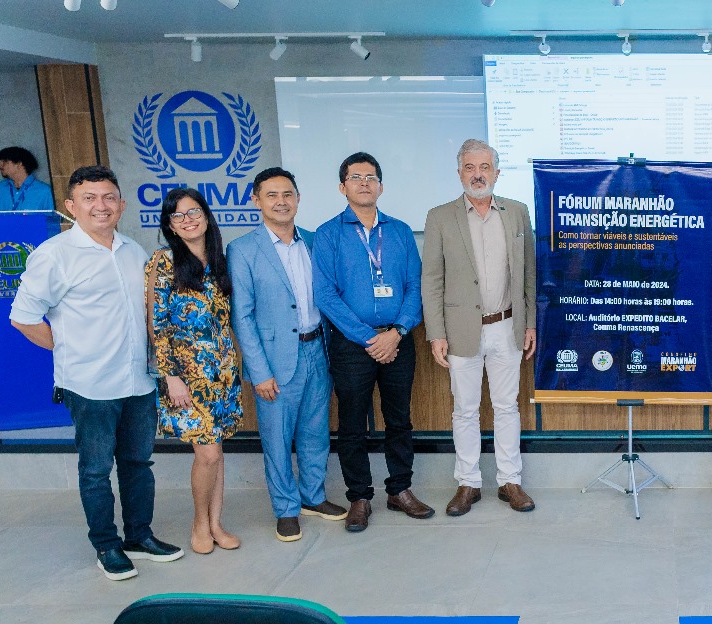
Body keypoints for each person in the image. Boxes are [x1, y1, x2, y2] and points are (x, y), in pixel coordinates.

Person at [9, 166, 182, 580]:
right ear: (71, 206)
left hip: (138, 381)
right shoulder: (54, 255)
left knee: (138, 463)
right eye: (89, 198)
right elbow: (23, 317)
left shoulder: (133, 251)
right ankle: (106, 545)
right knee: (95, 469)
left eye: (109, 198)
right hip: (89, 385)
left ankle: (139, 536)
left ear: (121, 204)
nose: (100, 206)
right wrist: (69, 350)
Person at [228, 167, 347, 542]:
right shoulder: (243, 249)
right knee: (277, 438)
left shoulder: (314, 241)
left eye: (288, 194)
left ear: (298, 198)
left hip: (318, 350)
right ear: (256, 200)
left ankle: (313, 497)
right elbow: (242, 316)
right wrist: (258, 371)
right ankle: (286, 508)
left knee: (315, 433)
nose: (281, 202)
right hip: (275, 360)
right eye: (272, 195)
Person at [422, 139, 538, 515]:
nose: (477, 174)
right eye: (470, 168)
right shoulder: (440, 217)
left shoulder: (517, 213)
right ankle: (468, 483)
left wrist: (530, 323)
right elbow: (432, 280)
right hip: (460, 331)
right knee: (465, 410)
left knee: (507, 407)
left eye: (485, 167)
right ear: (459, 173)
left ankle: (510, 481)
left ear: (497, 173)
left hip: (508, 326)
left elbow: (528, 276)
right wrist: (436, 332)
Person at [312, 151, 426, 533]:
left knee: (399, 419)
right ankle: (359, 497)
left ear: (381, 186)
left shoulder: (400, 231)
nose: (364, 183)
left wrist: (398, 332)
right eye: (356, 177)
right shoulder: (328, 234)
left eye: (371, 177)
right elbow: (325, 295)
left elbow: (414, 287)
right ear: (342, 187)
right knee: (352, 423)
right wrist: (367, 338)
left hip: (398, 339)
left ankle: (400, 490)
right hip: (352, 346)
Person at [148, 188, 244, 554]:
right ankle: (199, 522)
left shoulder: (220, 261)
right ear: (170, 225)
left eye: (193, 212)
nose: (187, 220)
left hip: (223, 373)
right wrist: (171, 377)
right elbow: (157, 327)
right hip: (186, 377)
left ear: (206, 215)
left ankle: (217, 523)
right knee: (206, 453)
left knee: (217, 452)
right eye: (178, 215)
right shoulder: (163, 262)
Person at [0, 146, 53, 211]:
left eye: (5, 161)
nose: (0, 165)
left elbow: (53, 220)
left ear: (19, 164)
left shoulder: (45, 192)